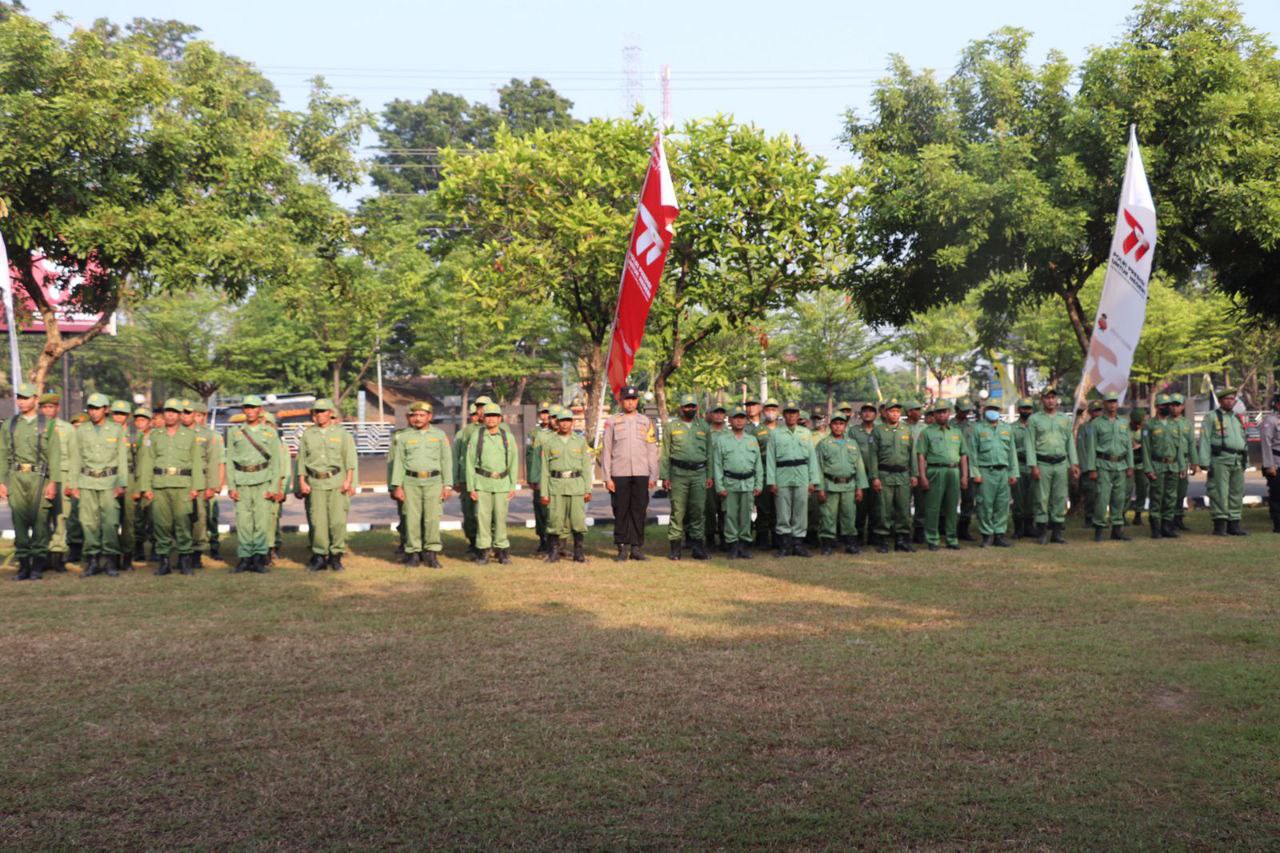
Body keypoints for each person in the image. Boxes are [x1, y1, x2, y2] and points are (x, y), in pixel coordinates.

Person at [138, 398, 205, 576]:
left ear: (180, 415)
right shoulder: (154, 435)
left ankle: (185, 561)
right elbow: (147, 462)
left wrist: (195, 487)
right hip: (160, 485)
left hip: (183, 485)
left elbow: (197, 462)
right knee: (161, 525)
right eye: (167, 411)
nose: (170, 415)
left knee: (183, 523)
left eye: (174, 412)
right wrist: (146, 487)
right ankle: (164, 561)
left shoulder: (190, 436)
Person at [2, 383, 61, 580]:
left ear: (35, 399)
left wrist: (53, 482)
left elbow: (54, 455)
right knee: (19, 522)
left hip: (40, 478)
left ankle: (37, 564)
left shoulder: (47, 424)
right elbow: (3, 454)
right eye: (19, 397)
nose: (21, 401)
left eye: (26, 397)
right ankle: (23, 565)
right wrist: (2, 481)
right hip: (17, 477)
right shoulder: (9, 424)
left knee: (40, 521)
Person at [70, 393, 129, 577]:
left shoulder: (116, 430)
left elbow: (122, 459)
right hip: (87, 482)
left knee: (110, 523)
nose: (93, 412)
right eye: (91, 408)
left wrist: (122, 483)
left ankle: (110, 560)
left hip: (109, 482)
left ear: (106, 410)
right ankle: (93, 560)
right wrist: (73, 484)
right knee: (88, 523)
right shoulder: (81, 430)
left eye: (97, 408)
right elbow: (76, 458)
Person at [296, 399, 358, 570]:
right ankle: (319, 556)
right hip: (315, 482)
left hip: (337, 482)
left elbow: (350, 460)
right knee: (317, 521)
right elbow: (301, 460)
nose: (320, 415)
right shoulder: (308, 434)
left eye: (323, 411)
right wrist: (302, 482)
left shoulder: (342, 434)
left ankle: (336, 556)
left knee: (337, 521)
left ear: (330, 413)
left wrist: (349, 481)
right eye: (316, 412)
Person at [390, 401, 452, 568]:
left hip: (434, 482)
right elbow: (399, 463)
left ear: (429, 417)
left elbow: (446, 461)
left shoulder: (439, 435)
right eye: (414, 415)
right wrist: (397, 485)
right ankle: (413, 554)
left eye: (421, 415)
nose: (417, 418)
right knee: (411, 518)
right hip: (410, 482)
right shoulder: (404, 437)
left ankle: (431, 554)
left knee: (432, 519)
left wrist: (447, 485)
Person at [600, 385, 658, 561]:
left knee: (639, 511)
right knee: (621, 510)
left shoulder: (646, 422)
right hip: (619, 473)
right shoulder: (612, 421)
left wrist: (653, 474)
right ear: (621, 401)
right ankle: (622, 548)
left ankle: (636, 548)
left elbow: (651, 449)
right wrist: (607, 477)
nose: (630, 402)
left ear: (638, 401)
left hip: (641, 473)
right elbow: (606, 450)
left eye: (633, 399)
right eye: (627, 399)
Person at [224, 395, 281, 574]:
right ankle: (244, 558)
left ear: (260, 410)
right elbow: (230, 461)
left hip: (262, 480)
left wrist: (273, 487)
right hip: (242, 481)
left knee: (261, 522)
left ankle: (258, 559)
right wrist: (231, 486)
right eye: (247, 408)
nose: (249, 411)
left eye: (253, 408)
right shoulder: (235, 432)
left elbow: (276, 462)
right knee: (243, 521)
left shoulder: (269, 433)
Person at [659, 393, 712, 561]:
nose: (690, 409)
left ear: (697, 408)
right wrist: (664, 477)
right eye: (687, 407)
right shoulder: (671, 427)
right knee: (678, 511)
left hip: (699, 474)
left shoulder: (704, 426)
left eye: (693, 406)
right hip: (678, 474)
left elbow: (710, 453)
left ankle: (698, 547)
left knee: (698, 511)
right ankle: (675, 548)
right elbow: (665, 454)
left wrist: (709, 475)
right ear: (681, 409)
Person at [765, 402, 820, 557]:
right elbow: (770, 459)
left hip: (802, 475)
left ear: (798, 415)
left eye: (794, 413)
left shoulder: (805, 433)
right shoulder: (775, 434)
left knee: (800, 511)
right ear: (784, 415)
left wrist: (812, 480)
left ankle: (798, 545)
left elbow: (812, 458)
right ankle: (784, 545)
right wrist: (772, 481)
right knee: (783, 511)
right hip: (782, 474)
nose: (791, 416)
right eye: (788, 413)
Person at [1025, 388, 1080, 544]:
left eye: (1053, 397)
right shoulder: (1034, 420)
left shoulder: (1064, 419)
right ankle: (1041, 532)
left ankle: (1056, 533)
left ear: (1057, 400)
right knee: (1041, 498)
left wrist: (1074, 463)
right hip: (1042, 463)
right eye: (1047, 397)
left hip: (1061, 463)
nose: (1050, 400)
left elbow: (1070, 442)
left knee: (1060, 498)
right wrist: (1033, 465)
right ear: (1042, 400)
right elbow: (1029, 444)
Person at [539, 406, 593, 563]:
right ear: (557, 422)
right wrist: (544, 492)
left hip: (576, 486)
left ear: (572, 423)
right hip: (556, 486)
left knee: (577, 520)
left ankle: (579, 553)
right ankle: (554, 553)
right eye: (562, 420)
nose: (564, 424)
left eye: (568, 420)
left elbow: (586, 468)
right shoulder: (549, 443)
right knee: (555, 520)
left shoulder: (580, 442)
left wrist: (587, 489)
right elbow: (544, 470)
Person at [466, 402, 518, 563]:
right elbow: (469, 462)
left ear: (500, 418)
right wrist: (471, 487)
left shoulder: (507, 437)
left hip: (502, 483)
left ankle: (502, 550)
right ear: (483, 418)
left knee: (501, 518)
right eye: (488, 416)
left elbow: (513, 462)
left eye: (494, 416)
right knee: (483, 518)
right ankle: (483, 551)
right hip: (482, 483)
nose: (491, 419)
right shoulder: (477, 436)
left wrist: (512, 485)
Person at [865, 399, 917, 553]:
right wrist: (874, 477)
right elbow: (872, 456)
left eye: (897, 411)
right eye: (892, 411)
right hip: (884, 475)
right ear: (885, 413)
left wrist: (914, 474)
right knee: (884, 510)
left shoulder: (906, 430)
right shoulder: (878, 431)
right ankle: (882, 540)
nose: (895, 414)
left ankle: (902, 540)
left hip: (903, 474)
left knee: (904, 509)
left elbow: (912, 453)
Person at [1081, 391, 1133, 542]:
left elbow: (1128, 445)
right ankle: (1099, 529)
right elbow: (1091, 448)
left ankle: (1117, 529)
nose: (1112, 404)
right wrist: (1091, 469)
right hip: (1103, 464)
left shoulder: (1123, 422)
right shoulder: (1096, 424)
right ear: (1104, 404)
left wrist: (1130, 465)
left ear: (1118, 404)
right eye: (1109, 402)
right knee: (1102, 498)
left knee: (1119, 498)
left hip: (1121, 464)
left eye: (1114, 401)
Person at [916, 401, 968, 550]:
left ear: (949, 413)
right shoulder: (926, 432)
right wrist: (923, 477)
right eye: (938, 412)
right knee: (933, 507)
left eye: (944, 411)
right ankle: (932, 539)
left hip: (953, 471)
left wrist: (964, 476)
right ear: (934, 414)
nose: (942, 414)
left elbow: (963, 455)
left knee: (952, 506)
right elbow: (921, 456)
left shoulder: (956, 432)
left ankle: (952, 538)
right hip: (935, 471)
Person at [712, 407, 763, 559]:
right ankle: (732, 546)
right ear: (730, 420)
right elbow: (717, 465)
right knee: (731, 516)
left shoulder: (752, 440)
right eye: (736, 418)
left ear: (746, 420)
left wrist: (759, 484)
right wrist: (720, 486)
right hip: (730, 483)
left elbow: (758, 465)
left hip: (748, 483)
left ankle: (744, 546)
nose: (739, 420)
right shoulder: (722, 440)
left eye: (742, 418)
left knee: (746, 515)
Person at [815, 411, 868, 555]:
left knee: (849, 515)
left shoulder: (852, 443)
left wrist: (860, 488)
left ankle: (851, 544)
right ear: (830, 425)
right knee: (828, 516)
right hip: (830, 485)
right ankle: (827, 544)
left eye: (841, 424)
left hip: (849, 486)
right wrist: (819, 488)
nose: (838, 427)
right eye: (835, 424)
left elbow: (859, 466)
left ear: (845, 426)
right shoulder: (824, 444)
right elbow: (818, 467)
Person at [1198, 387, 1248, 536]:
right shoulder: (1211, 417)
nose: (1230, 401)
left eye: (1232, 399)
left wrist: (1246, 460)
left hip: (1237, 460)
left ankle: (1234, 524)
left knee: (1236, 493)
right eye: (1227, 399)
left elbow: (1243, 440)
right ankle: (1220, 526)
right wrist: (1204, 461)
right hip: (1220, 460)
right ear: (1220, 401)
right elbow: (1205, 439)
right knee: (1220, 492)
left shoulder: (1237, 417)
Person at [969, 401, 1018, 548]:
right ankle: (987, 535)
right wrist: (975, 473)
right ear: (984, 410)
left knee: (1002, 505)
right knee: (985, 505)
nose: (993, 411)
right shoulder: (977, 429)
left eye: (996, 409)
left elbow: (1012, 452)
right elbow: (972, 453)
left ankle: (999, 535)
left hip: (1003, 471)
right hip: (985, 472)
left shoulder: (1006, 429)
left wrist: (1013, 472)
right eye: (990, 408)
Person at [38, 392, 77, 570]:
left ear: (57, 408)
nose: (47, 410)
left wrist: (71, 482)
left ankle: (58, 555)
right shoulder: (36, 427)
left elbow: (74, 456)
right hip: (41, 477)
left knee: (61, 517)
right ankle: (43, 554)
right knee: (42, 517)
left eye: (51, 407)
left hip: (63, 475)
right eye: (44, 407)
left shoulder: (67, 429)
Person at [1143, 393, 1185, 539]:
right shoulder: (1149, 425)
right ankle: (1155, 528)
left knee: (1171, 497)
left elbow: (1179, 447)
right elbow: (1146, 449)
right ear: (1156, 407)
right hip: (1157, 465)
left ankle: (1167, 527)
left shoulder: (1175, 425)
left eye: (1169, 405)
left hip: (1172, 465)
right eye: (1163, 405)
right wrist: (1148, 469)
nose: (1167, 407)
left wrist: (1182, 466)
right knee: (1157, 496)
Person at [188, 401, 225, 565]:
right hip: (191, 482)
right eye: (193, 415)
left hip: (208, 481)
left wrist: (217, 484)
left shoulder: (214, 436)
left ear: (205, 416)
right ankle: (191, 551)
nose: (196, 418)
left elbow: (219, 462)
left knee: (210, 517)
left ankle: (214, 546)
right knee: (194, 518)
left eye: (199, 415)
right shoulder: (187, 433)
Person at [751, 399, 780, 548]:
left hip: (781, 473)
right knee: (763, 507)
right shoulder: (757, 431)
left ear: (778, 411)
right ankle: (762, 539)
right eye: (768, 409)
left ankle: (777, 539)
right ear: (763, 411)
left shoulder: (783, 430)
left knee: (779, 508)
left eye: (774, 409)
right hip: (763, 473)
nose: (771, 412)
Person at [525, 402, 554, 554]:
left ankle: (553, 541)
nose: (545, 416)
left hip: (553, 477)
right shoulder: (533, 434)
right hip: (538, 477)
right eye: (542, 413)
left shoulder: (556, 432)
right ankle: (542, 539)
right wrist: (531, 478)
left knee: (552, 510)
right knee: (539, 510)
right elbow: (530, 456)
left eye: (547, 413)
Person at [850, 402, 879, 547]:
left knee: (876, 507)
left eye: (871, 411)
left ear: (876, 414)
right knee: (859, 508)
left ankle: (873, 537)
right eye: (865, 411)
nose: (868, 414)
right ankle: (858, 536)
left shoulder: (880, 430)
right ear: (860, 415)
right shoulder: (854, 431)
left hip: (876, 475)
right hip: (859, 475)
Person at [1169, 393, 1199, 531]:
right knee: (1170, 493)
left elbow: (1192, 444)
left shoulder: (1187, 423)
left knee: (1181, 492)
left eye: (1178, 405)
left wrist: (1194, 462)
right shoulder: (1165, 422)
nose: (1175, 408)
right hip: (1169, 463)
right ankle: (1168, 520)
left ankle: (1178, 519)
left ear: (1182, 407)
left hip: (1183, 462)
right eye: (1172, 405)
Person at [129, 406, 154, 563]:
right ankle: (138, 549)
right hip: (136, 482)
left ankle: (156, 549)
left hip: (152, 482)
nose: (140, 423)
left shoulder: (157, 437)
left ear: (149, 422)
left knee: (153, 517)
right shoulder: (132, 438)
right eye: (137, 420)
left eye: (143, 420)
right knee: (137, 518)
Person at [264, 411, 289, 565]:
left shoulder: (280, 445)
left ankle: (272, 548)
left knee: (273, 519)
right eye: (264, 423)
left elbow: (285, 470)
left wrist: (283, 490)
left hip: (276, 487)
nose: (266, 427)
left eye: (269, 424)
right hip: (259, 486)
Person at [1009, 398, 1036, 538]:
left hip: (1033, 466)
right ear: (1019, 410)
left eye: (1029, 408)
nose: (1027, 411)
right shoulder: (1012, 428)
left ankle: (1030, 527)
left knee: (1032, 497)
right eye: (1024, 408)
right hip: (1018, 465)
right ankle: (1019, 528)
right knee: (1018, 498)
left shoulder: (1036, 426)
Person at [953, 397, 978, 541]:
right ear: (956, 410)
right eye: (963, 411)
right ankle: (946, 528)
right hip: (953, 465)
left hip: (968, 466)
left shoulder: (972, 427)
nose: (965, 414)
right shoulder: (949, 425)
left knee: (968, 499)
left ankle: (963, 528)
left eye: (967, 411)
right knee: (950, 499)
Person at [705, 403, 729, 550]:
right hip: (710, 477)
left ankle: (725, 538)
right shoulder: (706, 432)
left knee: (725, 509)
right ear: (710, 415)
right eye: (716, 413)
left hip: (727, 477)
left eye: (721, 413)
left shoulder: (730, 433)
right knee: (709, 509)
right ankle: (710, 539)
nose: (719, 415)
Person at [1076, 400, 1103, 529]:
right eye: (1095, 411)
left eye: (1099, 410)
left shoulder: (1105, 426)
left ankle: (1100, 518)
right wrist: (1087, 468)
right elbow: (1081, 449)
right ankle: (1089, 518)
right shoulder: (1084, 428)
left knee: (1102, 495)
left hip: (1104, 466)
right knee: (1090, 495)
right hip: (1089, 468)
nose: (1098, 413)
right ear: (1090, 412)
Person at [905, 401, 928, 544]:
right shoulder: (901, 428)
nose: (920, 413)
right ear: (909, 412)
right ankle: (904, 531)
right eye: (917, 410)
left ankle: (919, 531)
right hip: (905, 471)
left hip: (922, 471)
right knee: (903, 504)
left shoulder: (925, 428)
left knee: (921, 503)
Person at [1260, 393, 1280, 534]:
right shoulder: (1270, 421)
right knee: (1277, 496)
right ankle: (1278, 524)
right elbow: (1266, 444)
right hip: (1276, 463)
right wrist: (1269, 465)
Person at [1129, 408, 1148, 526]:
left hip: (1141, 464)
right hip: (1128, 465)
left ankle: (1138, 514)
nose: (1138, 425)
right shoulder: (1125, 429)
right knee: (1126, 490)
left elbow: (1149, 442)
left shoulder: (1146, 429)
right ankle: (1122, 515)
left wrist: (1140, 445)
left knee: (1142, 490)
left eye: (1140, 423)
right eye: (1136, 423)